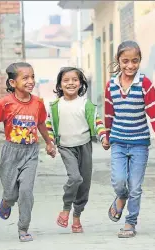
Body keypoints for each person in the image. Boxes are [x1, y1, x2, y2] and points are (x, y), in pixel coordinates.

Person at [0, 62, 56, 242]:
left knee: (26, 191)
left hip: (31, 152)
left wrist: (49, 143)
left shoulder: (38, 103)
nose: (30, 81)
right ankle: (7, 201)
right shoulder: (5, 103)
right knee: (11, 193)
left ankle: (23, 228)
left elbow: (40, 123)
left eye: (32, 77)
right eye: (25, 78)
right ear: (12, 83)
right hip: (11, 152)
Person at [105, 41, 155, 238]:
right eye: (125, 61)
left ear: (139, 61)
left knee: (135, 186)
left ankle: (130, 222)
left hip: (139, 144)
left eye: (135, 61)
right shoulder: (111, 85)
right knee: (119, 182)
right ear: (118, 60)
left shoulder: (144, 84)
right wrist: (106, 136)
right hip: (118, 141)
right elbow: (109, 113)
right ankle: (121, 196)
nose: (130, 65)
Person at [46, 67, 109, 233]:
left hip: (85, 146)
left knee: (84, 184)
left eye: (75, 80)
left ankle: (77, 217)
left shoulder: (86, 104)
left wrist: (103, 138)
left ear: (81, 84)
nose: (70, 83)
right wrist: (50, 143)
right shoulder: (55, 106)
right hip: (66, 147)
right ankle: (66, 208)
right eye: (66, 80)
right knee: (75, 178)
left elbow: (97, 122)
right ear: (59, 85)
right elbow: (49, 127)